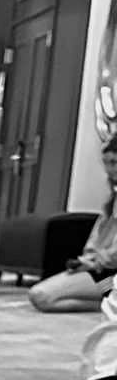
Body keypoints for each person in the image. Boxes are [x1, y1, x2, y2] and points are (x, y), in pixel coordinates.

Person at [29, 134, 117, 312]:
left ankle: (110, 298)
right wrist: (86, 261)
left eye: (114, 162)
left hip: (111, 275)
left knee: (42, 296)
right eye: (106, 163)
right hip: (99, 269)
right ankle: (109, 302)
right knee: (40, 296)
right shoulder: (111, 199)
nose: (109, 170)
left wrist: (96, 263)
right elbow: (95, 240)